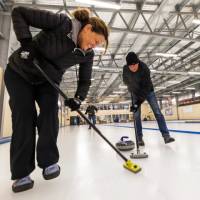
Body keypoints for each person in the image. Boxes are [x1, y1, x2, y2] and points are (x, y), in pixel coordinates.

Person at [4, 6, 109, 193]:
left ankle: (48, 161)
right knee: (24, 118)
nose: (95, 46)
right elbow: (19, 12)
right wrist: (26, 44)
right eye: (96, 41)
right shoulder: (61, 23)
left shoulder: (87, 55)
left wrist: (78, 98)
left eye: (98, 45)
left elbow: (85, 80)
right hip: (20, 72)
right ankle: (22, 173)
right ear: (87, 29)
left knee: (50, 116)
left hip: (47, 80)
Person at [123, 52, 175, 146]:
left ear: (138, 62)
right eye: (131, 66)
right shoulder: (125, 69)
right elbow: (125, 79)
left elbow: (145, 89)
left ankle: (166, 136)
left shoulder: (144, 69)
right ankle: (139, 138)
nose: (133, 67)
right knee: (136, 115)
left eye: (135, 65)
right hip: (135, 92)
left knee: (157, 112)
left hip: (147, 91)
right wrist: (129, 85)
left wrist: (137, 103)